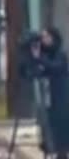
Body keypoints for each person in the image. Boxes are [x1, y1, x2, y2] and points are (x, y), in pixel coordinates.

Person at [23, 27, 69, 158]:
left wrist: (39, 58)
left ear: (53, 38)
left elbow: (54, 67)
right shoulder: (44, 54)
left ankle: (62, 153)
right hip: (48, 100)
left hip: (61, 99)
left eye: (45, 37)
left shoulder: (60, 54)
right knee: (48, 129)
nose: (43, 40)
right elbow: (36, 72)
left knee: (61, 131)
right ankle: (50, 150)